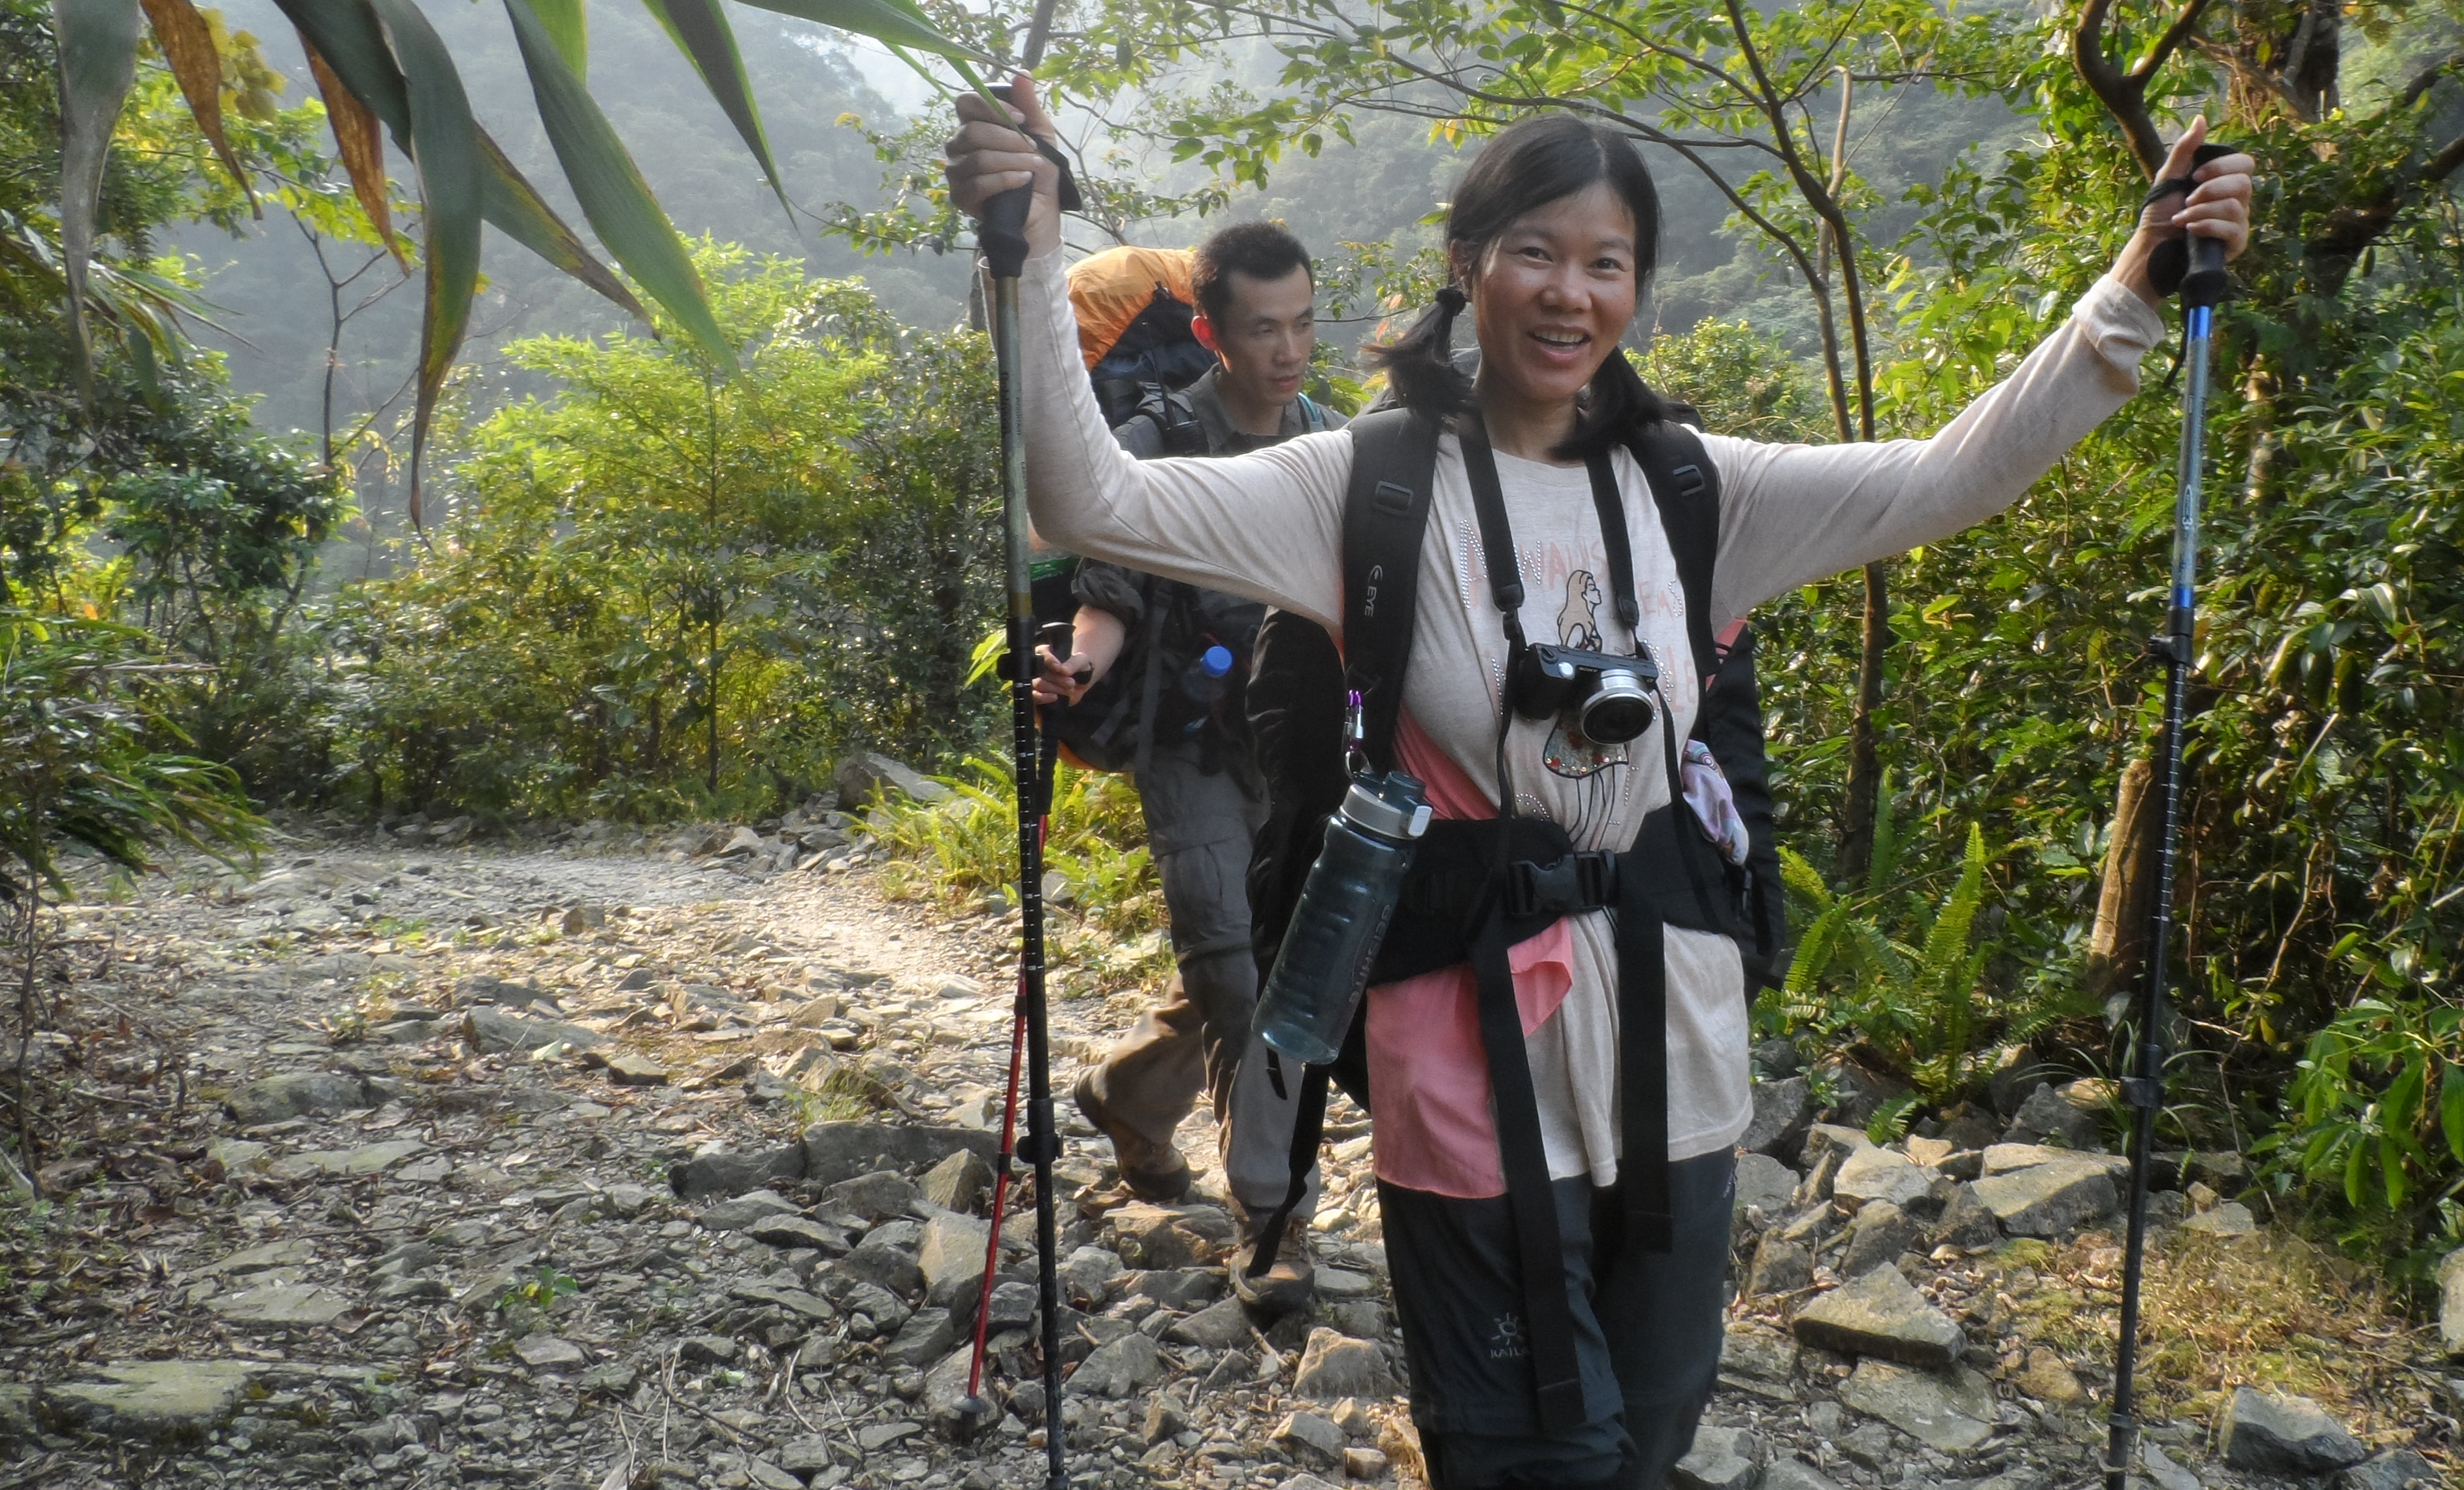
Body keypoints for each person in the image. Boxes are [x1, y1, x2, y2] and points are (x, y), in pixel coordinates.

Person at [951, 91, 2252, 1490]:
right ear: (1468, 262)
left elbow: (1952, 474)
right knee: (1524, 1448)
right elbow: (1092, 504)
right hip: (1456, 1023)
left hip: (1671, 1028)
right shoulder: (1366, 488)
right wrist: (1016, 259)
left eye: (1608, 260)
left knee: (1650, 1424)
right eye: (1535, 251)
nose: (1570, 292)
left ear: (1638, 284)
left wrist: (2135, 285)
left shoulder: (1697, 491)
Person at [1031, 220, 1345, 1305]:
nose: (1291, 350)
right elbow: (1108, 588)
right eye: (1265, 329)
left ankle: (1130, 1094)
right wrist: (1075, 665)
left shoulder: (1334, 442)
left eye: (1306, 323)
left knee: (1295, 963)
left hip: (1303, 750)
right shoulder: (1157, 443)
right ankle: (1273, 1222)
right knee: (1234, 966)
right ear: (1212, 330)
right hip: (1192, 741)